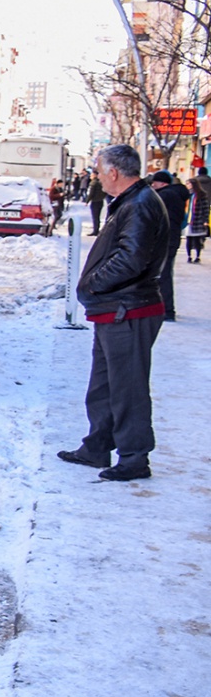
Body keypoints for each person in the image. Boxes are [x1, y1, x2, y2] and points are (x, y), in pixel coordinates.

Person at [56, 144, 171, 482]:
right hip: (116, 308)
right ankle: (97, 446)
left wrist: (92, 285)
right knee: (104, 385)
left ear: (114, 172)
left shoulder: (140, 204)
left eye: (99, 169)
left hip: (129, 308)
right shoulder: (132, 201)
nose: (97, 175)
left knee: (128, 388)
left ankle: (134, 457)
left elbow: (131, 259)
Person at [150, 171, 189, 321]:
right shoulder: (175, 194)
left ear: (162, 183)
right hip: (172, 237)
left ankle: (167, 310)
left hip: (165, 239)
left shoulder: (164, 196)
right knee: (164, 273)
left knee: (163, 274)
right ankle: (165, 308)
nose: (153, 185)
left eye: (155, 182)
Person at [186, 163, 210, 264]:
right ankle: (193, 255)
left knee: (193, 238)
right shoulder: (209, 182)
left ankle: (192, 255)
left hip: (195, 218)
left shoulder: (196, 194)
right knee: (195, 238)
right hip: (198, 216)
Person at [87, 170, 107, 235]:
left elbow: (91, 193)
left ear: (95, 175)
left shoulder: (93, 183)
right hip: (100, 201)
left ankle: (95, 230)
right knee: (98, 216)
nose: (90, 176)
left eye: (91, 175)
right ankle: (97, 229)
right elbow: (105, 191)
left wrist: (87, 201)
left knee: (95, 216)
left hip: (95, 201)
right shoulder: (101, 182)